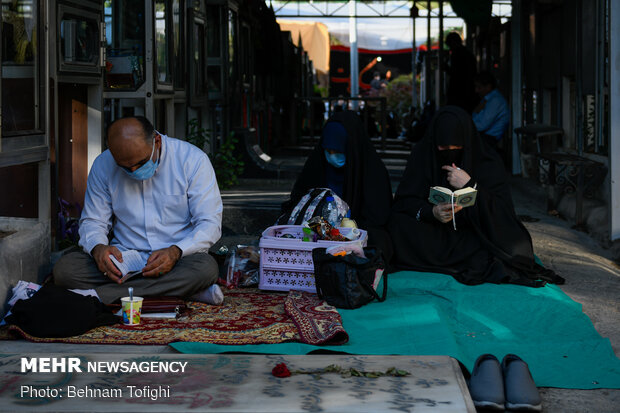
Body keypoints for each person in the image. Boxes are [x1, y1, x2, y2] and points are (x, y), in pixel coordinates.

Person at [53, 116, 224, 305]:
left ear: (156, 142)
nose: (134, 171)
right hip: (123, 260)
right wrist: (99, 249)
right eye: (125, 167)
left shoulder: (192, 160)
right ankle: (180, 291)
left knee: (205, 268)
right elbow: (93, 221)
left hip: (177, 260)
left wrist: (175, 252)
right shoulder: (103, 164)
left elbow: (209, 223)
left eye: (140, 163)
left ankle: (100, 297)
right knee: (65, 269)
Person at [387, 106, 564, 287]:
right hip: (433, 231)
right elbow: (404, 202)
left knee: (513, 246)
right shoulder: (422, 156)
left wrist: (470, 185)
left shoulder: (487, 161)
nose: (450, 152)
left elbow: (502, 213)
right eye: (443, 148)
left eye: (456, 148)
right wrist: (431, 212)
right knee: (396, 225)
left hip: (471, 232)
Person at [281, 110, 393, 259]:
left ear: (350, 147)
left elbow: (378, 216)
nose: (333, 155)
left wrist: (346, 227)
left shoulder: (372, 170)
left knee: (379, 241)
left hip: (356, 228)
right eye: (328, 150)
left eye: (339, 150)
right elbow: (299, 201)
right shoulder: (316, 165)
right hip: (316, 226)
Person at [472, 71, 510, 150]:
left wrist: (467, 126)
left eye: (479, 87)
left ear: (488, 87)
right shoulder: (486, 100)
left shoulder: (495, 101)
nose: (476, 91)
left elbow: (482, 125)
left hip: (488, 139)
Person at [445, 32, 477, 112]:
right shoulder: (467, 54)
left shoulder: (457, 54)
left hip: (460, 93)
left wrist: (447, 69)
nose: (450, 48)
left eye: (450, 45)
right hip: (467, 92)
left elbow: (457, 74)